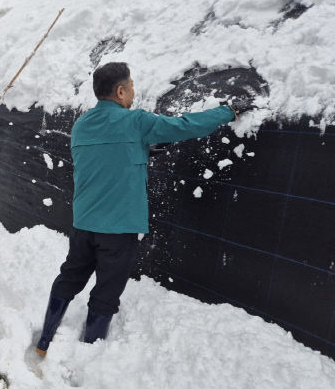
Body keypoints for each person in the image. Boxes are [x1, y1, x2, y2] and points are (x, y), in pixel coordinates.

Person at [35, 62, 250, 356]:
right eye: (132, 86)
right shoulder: (136, 121)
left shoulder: (82, 125)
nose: (134, 92)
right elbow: (185, 125)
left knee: (70, 276)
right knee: (107, 291)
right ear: (121, 90)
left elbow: (103, 155)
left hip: (84, 223)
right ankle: (88, 355)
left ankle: (44, 341)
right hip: (118, 228)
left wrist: (141, 149)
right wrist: (228, 112)